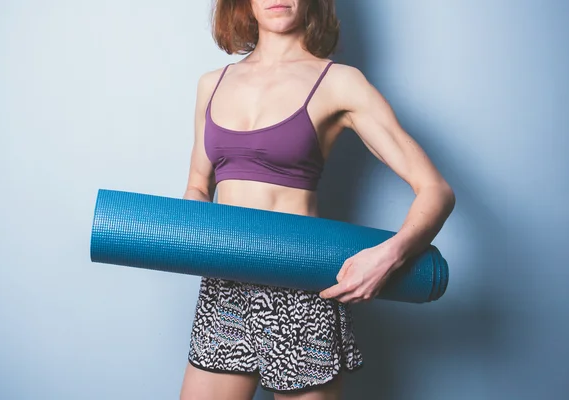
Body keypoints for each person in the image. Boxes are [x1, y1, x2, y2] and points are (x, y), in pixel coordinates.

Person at [179, 0, 456, 399]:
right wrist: (182, 237)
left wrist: (388, 256)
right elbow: (198, 187)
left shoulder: (339, 82)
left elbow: (436, 191)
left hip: (301, 288)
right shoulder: (212, 83)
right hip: (224, 289)